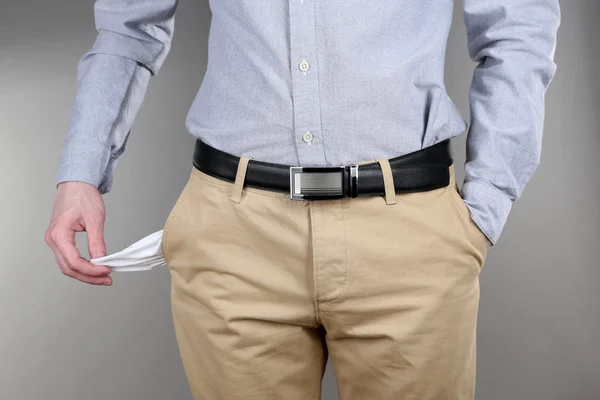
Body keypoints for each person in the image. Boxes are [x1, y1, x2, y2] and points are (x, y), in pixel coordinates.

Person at [44, 1, 560, 399]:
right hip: (233, 236)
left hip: (410, 237)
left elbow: (517, 31)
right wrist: (80, 175)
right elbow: (128, 27)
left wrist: (487, 203)